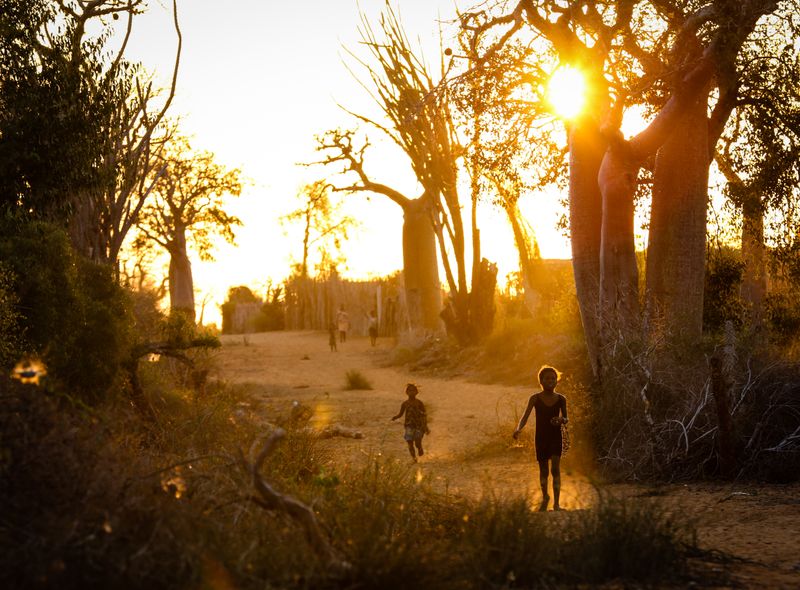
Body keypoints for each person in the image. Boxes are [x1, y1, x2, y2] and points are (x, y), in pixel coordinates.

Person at [513, 365, 568, 511]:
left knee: (555, 470)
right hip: (541, 439)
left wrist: (560, 420)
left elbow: (566, 418)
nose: (550, 380)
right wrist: (518, 429)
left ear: (557, 380)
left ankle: (556, 504)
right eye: (547, 378)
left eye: (553, 378)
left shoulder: (561, 399)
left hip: (556, 438)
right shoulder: (535, 398)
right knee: (544, 471)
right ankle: (546, 497)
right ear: (541, 381)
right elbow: (525, 417)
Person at [391, 383, 430, 462]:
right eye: (409, 390)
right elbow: (401, 413)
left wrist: (425, 426)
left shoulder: (419, 403)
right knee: (409, 442)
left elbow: (424, 414)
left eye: (413, 390)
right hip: (409, 425)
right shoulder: (405, 404)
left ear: (417, 392)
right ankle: (414, 458)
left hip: (419, 425)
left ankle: (420, 448)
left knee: (417, 442)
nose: (411, 392)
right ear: (406, 392)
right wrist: (395, 417)